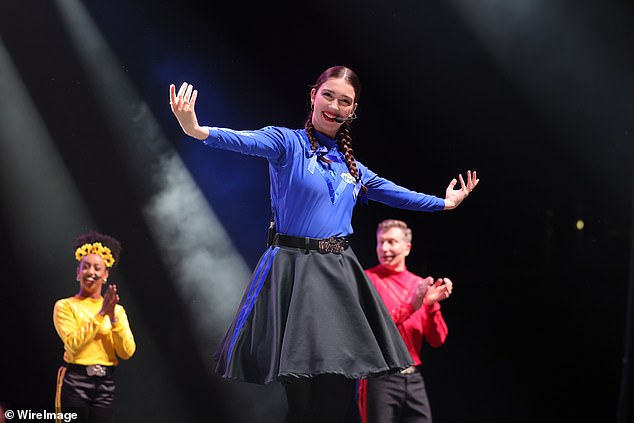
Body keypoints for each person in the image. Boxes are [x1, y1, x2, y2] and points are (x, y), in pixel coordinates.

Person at [169, 65, 479, 423]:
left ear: (353, 111)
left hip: (336, 275)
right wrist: (196, 129)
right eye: (328, 95)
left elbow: (397, 194)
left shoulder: (354, 169)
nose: (334, 105)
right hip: (294, 272)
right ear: (313, 95)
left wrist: (445, 203)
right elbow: (243, 140)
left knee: (334, 392)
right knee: (300, 395)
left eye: (345, 101)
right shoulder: (287, 143)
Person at [358, 219, 453, 423]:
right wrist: (413, 304)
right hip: (380, 377)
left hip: (413, 377)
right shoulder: (367, 280)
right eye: (380, 242)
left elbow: (437, 340)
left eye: (391, 242)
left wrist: (430, 304)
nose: (384, 248)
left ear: (407, 248)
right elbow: (377, 329)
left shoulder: (418, 284)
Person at [53, 231, 136, 423]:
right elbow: (73, 344)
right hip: (75, 381)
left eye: (97, 268)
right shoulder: (65, 306)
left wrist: (113, 317)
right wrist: (100, 316)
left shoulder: (117, 310)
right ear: (78, 273)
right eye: (86, 267)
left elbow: (126, 352)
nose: (91, 272)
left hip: (105, 383)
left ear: (105, 275)